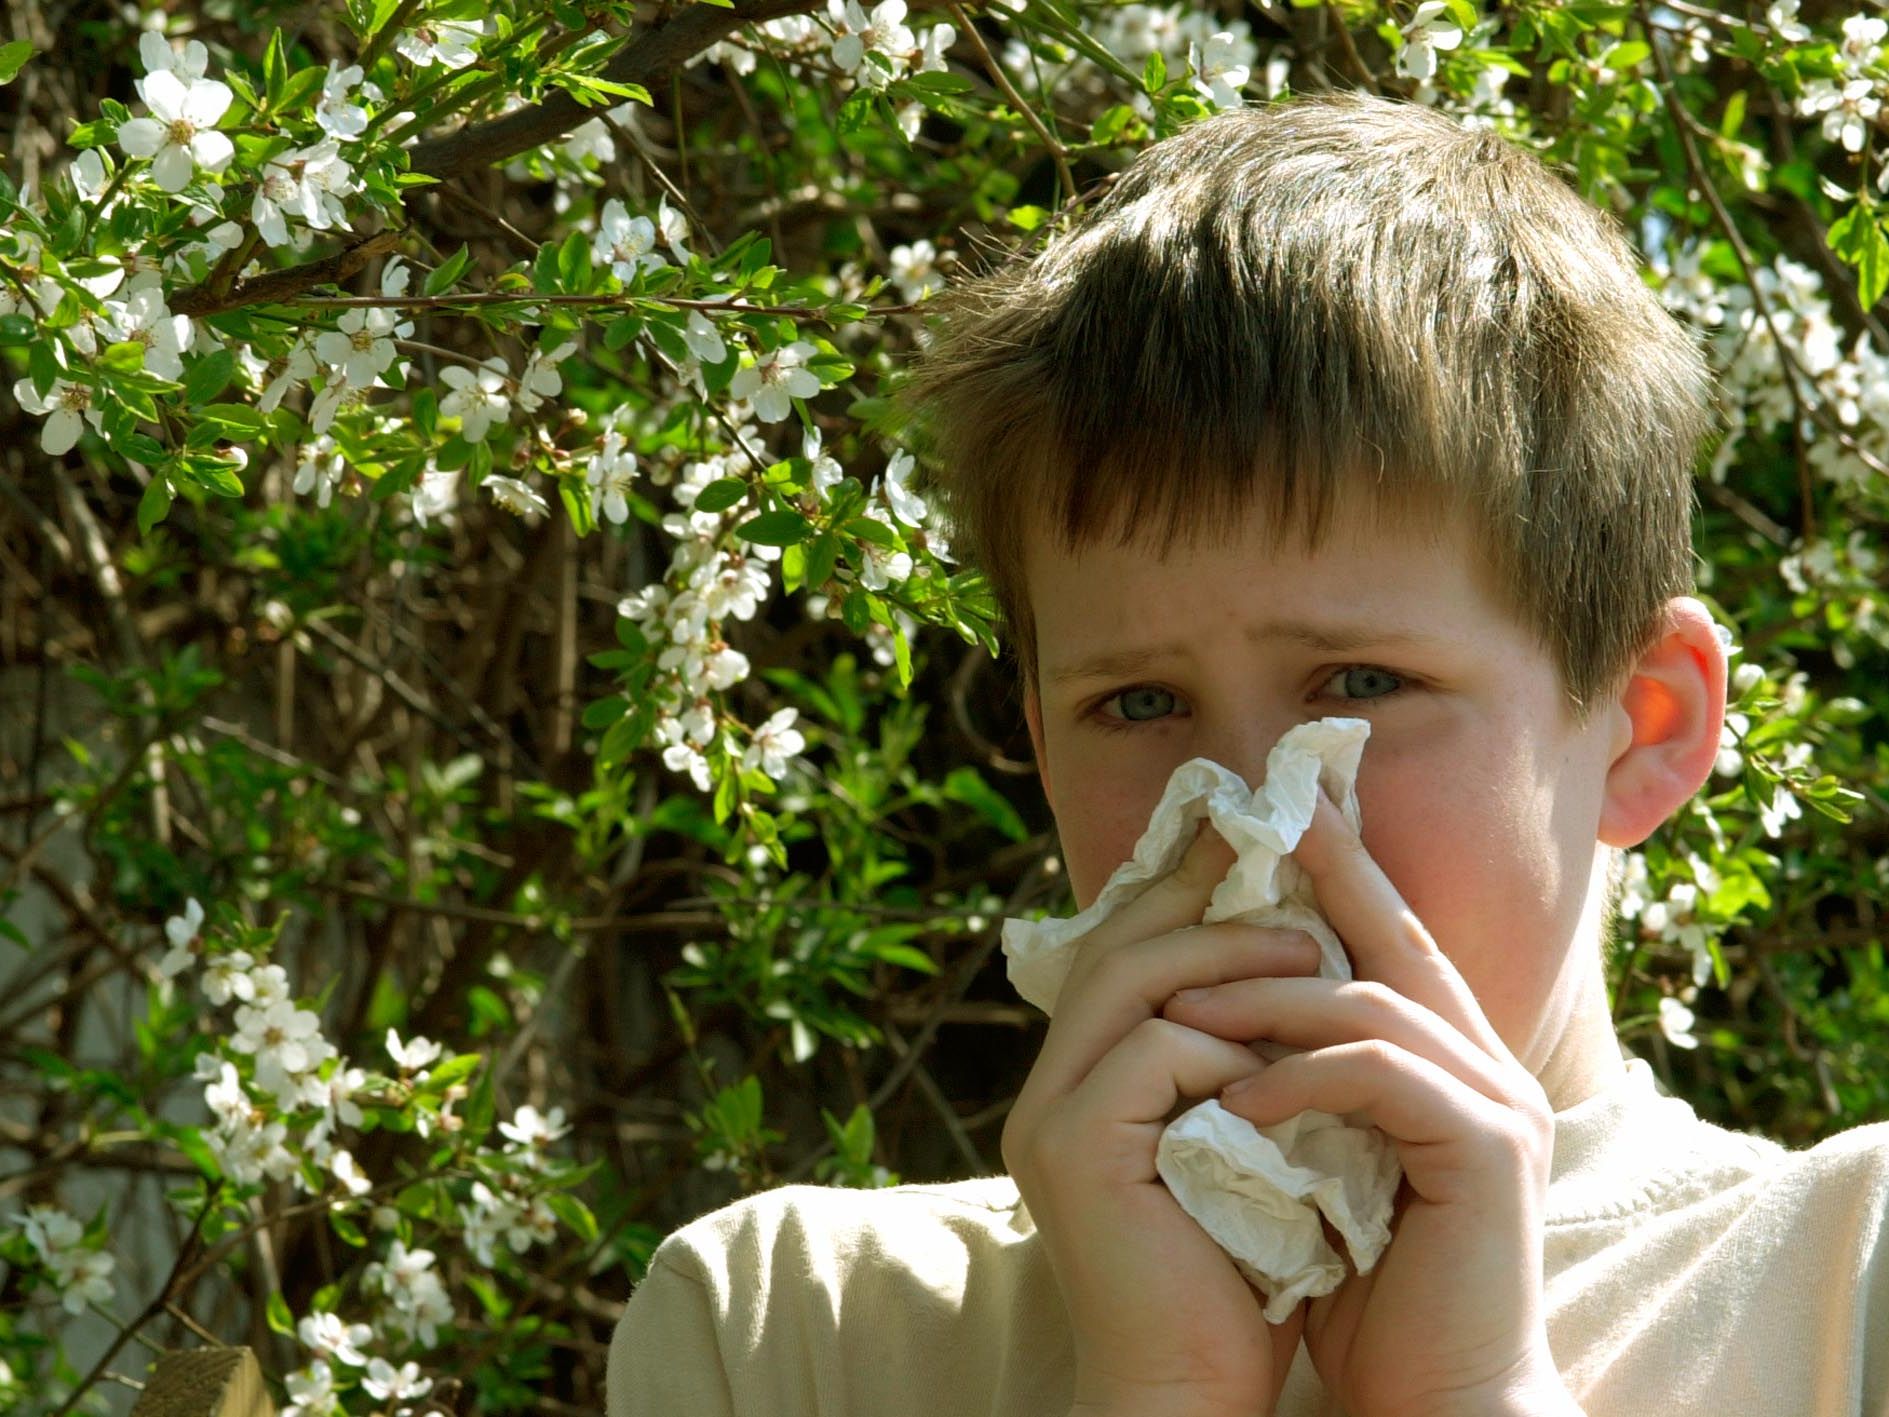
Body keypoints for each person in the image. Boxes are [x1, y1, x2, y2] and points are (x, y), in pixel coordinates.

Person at [606, 91, 1889, 1417]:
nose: (1244, 817)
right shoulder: (792, 1330)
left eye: (1360, 684)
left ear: (1642, 725)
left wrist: (1471, 1391)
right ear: (1043, 749)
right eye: (1140, 705)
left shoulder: (1845, 1280)